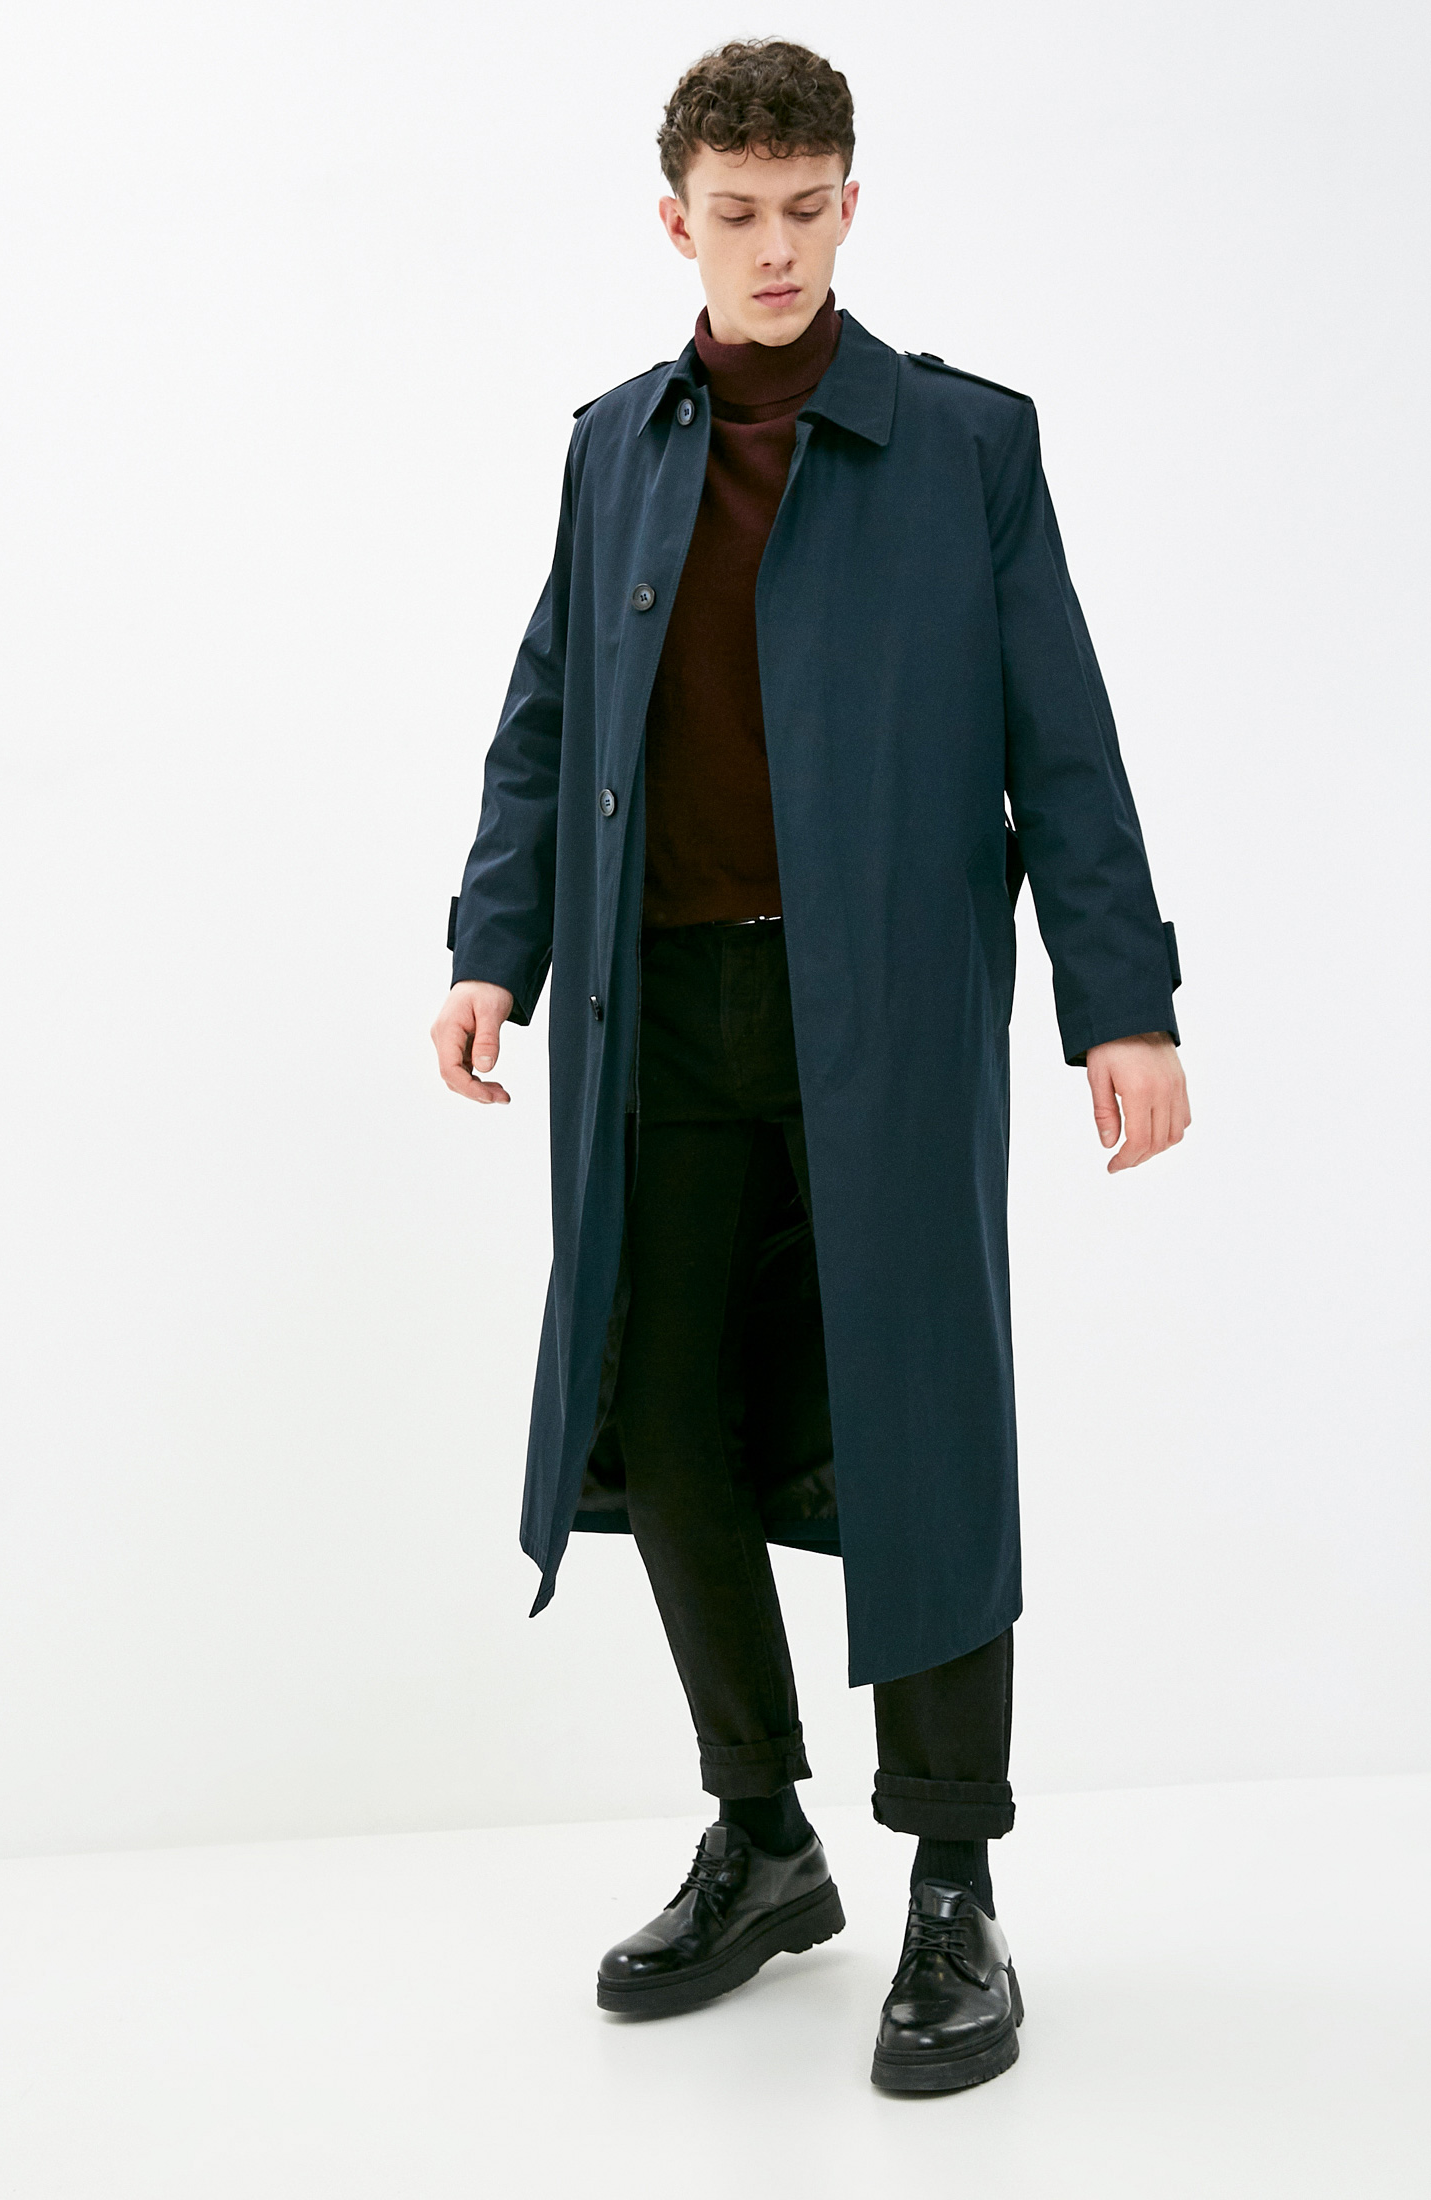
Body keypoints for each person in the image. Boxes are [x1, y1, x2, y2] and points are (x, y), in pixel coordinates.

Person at [432, 38, 1188, 2093]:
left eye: (806, 208)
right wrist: (493, 945)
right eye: (736, 214)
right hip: (652, 1014)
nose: (774, 248)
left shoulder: (964, 447)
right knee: (663, 1407)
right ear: (675, 222)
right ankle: (763, 1836)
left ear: (853, 205)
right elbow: (545, 712)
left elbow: (1065, 741)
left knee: (918, 1422)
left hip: (886, 1016)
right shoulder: (614, 447)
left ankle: (953, 1882)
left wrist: (1121, 1000)